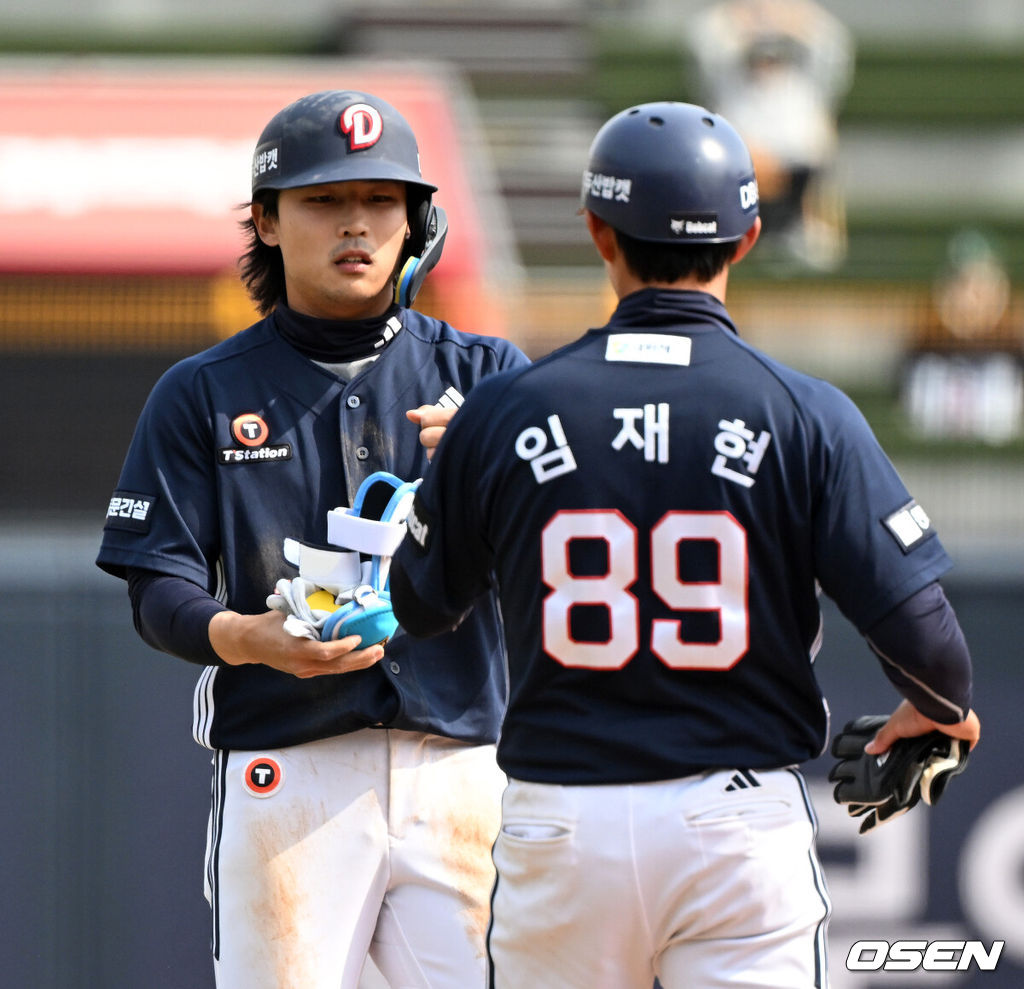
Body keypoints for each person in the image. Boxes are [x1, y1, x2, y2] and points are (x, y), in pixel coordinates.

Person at [389, 101, 981, 988]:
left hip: (562, 824)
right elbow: (931, 649)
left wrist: (471, 476)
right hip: (734, 825)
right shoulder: (806, 413)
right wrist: (942, 715)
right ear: (747, 238)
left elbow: (420, 605)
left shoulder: (505, 412)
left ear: (598, 231)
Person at [96, 89, 529, 989]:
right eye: (325, 200)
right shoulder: (201, 390)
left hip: (465, 768)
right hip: (286, 772)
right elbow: (158, 583)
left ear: (418, 221)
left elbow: (564, 557)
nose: (356, 224)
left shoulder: (490, 378)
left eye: (380, 200)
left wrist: (503, 473)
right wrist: (244, 637)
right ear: (267, 218)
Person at [687, 0, 854, 270]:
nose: (768, 61)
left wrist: (793, 18)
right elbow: (706, 48)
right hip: (741, 179)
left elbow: (834, 51)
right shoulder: (731, 85)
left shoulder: (803, 90)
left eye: (774, 55)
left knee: (818, 248)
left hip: (797, 182)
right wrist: (741, 21)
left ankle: (797, 231)